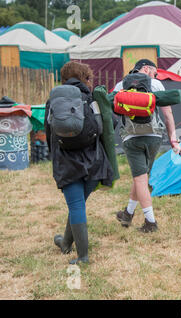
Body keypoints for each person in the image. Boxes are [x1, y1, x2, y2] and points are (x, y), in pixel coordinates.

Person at [46, 61, 114, 264]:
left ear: (64, 78)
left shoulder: (54, 99)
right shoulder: (92, 98)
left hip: (67, 162)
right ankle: (66, 243)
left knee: (76, 205)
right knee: (78, 205)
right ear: (85, 77)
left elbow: (50, 133)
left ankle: (83, 256)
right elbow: (103, 128)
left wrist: (56, 158)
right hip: (94, 161)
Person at [114, 59, 181, 233]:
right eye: (155, 72)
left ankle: (150, 223)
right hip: (154, 136)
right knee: (141, 177)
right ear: (146, 68)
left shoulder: (121, 84)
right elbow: (168, 114)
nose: (156, 76)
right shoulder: (157, 85)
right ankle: (127, 214)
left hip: (132, 136)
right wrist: (173, 139)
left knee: (140, 178)